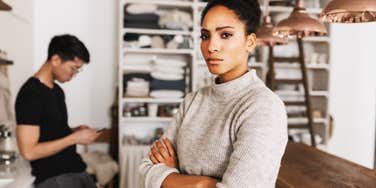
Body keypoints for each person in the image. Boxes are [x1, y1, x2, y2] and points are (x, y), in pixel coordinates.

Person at [139, 0, 288, 187]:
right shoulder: (193, 100)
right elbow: (146, 167)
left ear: (250, 42)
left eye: (225, 34)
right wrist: (207, 182)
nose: (211, 47)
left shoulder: (263, 107)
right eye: (205, 35)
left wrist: (174, 175)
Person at [15, 34, 100, 188]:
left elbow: (50, 131)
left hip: (76, 169)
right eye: (73, 68)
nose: (74, 75)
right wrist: (74, 138)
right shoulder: (30, 94)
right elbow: (28, 151)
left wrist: (75, 131)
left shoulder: (57, 91)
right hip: (55, 178)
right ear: (55, 60)